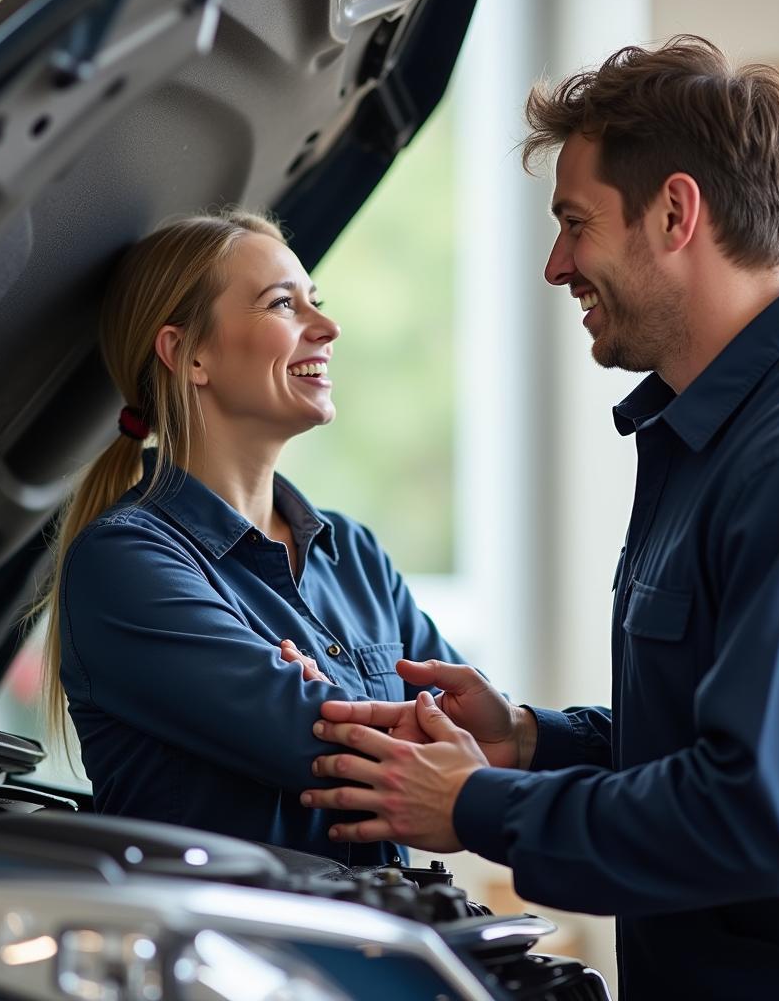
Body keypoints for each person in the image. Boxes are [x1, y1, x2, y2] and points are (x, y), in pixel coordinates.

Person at [300, 36, 779, 999]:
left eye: (574, 224)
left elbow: (759, 816)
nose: (554, 266)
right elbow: (717, 741)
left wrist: (479, 807)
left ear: (675, 212)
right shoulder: (712, 437)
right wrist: (531, 740)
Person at [39, 210, 469, 866]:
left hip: (385, 948)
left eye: (315, 303)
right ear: (188, 354)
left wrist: (326, 697)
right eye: (282, 304)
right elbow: (339, 753)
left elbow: (475, 734)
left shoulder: (352, 553)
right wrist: (346, 718)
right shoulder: (123, 563)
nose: (327, 328)